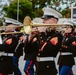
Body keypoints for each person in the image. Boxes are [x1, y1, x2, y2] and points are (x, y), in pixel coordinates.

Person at [35, 7, 62, 75]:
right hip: (39, 68)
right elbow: (28, 50)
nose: (43, 21)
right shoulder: (44, 34)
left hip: (48, 69)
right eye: (43, 19)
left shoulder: (57, 35)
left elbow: (46, 49)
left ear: (54, 21)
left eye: (46, 19)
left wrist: (42, 33)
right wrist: (30, 37)